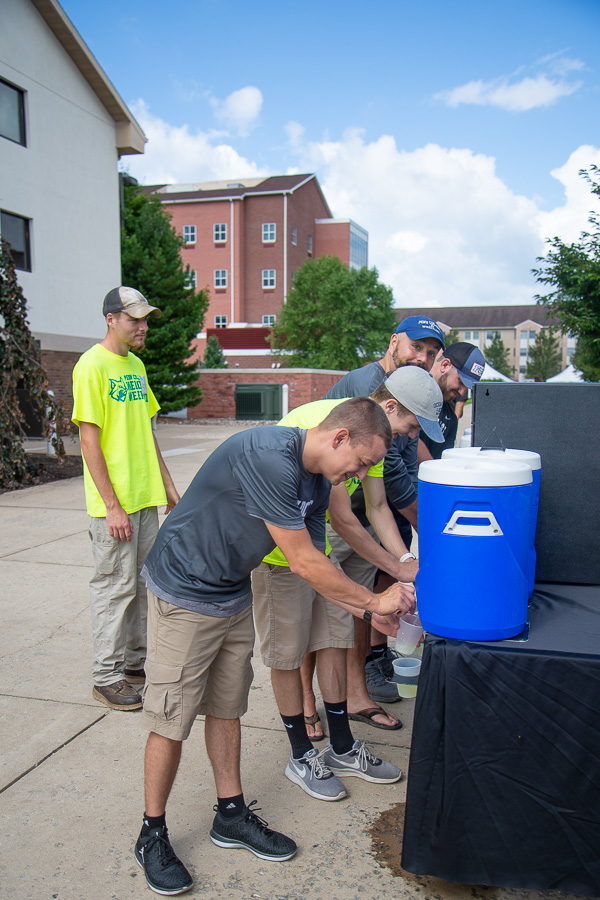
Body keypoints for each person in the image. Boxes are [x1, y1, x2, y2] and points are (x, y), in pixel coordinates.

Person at [135, 398, 410, 896]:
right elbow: (302, 561)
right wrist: (372, 603)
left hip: (230, 589)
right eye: (363, 461)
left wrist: (373, 609)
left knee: (226, 708)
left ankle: (231, 814)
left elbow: (321, 556)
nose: (362, 472)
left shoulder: (318, 480)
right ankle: (151, 833)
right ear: (339, 437)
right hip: (185, 588)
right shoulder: (270, 455)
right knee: (170, 716)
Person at [251, 367, 442, 800]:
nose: (413, 436)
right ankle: (301, 752)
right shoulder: (341, 426)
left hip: (320, 544)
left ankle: (340, 746)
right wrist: (390, 580)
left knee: (335, 636)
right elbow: (343, 517)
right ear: (389, 405)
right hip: (283, 552)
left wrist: (405, 561)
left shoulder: (376, 441)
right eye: (411, 425)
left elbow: (376, 509)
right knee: (288, 649)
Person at [326, 315, 445, 703]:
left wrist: (406, 555)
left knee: (359, 611)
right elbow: (390, 481)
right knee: (321, 621)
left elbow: (389, 486)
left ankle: (357, 689)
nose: (422, 357)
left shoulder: (409, 398)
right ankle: (313, 709)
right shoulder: (370, 395)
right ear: (394, 341)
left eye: (431, 353)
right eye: (417, 347)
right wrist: (428, 534)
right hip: (326, 514)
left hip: (361, 514)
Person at [72, 286, 179, 711]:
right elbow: (88, 440)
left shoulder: (135, 365)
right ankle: (105, 676)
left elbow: (146, 432)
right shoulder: (91, 366)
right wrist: (112, 505)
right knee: (114, 590)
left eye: (146, 318)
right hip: (113, 505)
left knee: (141, 586)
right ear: (111, 319)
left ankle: (135, 664)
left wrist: (167, 485)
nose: (143, 326)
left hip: (144, 497)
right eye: (135, 319)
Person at [418, 342, 485, 461]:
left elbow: (444, 462)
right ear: (444, 365)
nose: (462, 392)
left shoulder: (451, 420)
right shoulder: (410, 396)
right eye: (460, 381)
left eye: (467, 387)